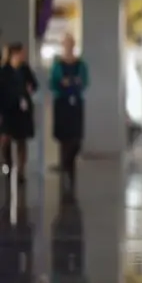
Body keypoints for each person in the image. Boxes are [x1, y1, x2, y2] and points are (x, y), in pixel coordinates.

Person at [50, 33, 89, 187]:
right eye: (66, 43)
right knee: (64, 138)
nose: (68, 46)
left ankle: (67, 163)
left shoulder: (81, 64)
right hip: (61, 102)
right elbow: (53, 83)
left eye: (70, 43)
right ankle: (68, 171)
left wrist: (75, 82)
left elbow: (85, 81)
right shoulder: (57, 64)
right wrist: (62, 83)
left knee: (76, 138)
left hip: (76, 102)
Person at [0, 43, 37, 183]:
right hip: (8, 109)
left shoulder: (24, 69)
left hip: (22, 108)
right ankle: (7, 167)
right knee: (5, 141)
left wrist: (29, 89)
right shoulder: (4, 71)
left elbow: (34, 84)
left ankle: (21, 171)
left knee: (22, 141)